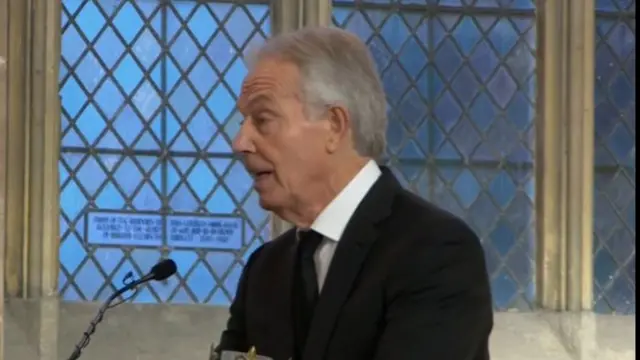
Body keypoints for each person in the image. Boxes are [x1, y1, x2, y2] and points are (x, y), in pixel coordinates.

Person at [215, 26, 493, 360]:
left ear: (334, 125)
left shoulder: (436, 252)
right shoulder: (265, 268)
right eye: (242, 122)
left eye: (262, 119)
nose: (240, 143)